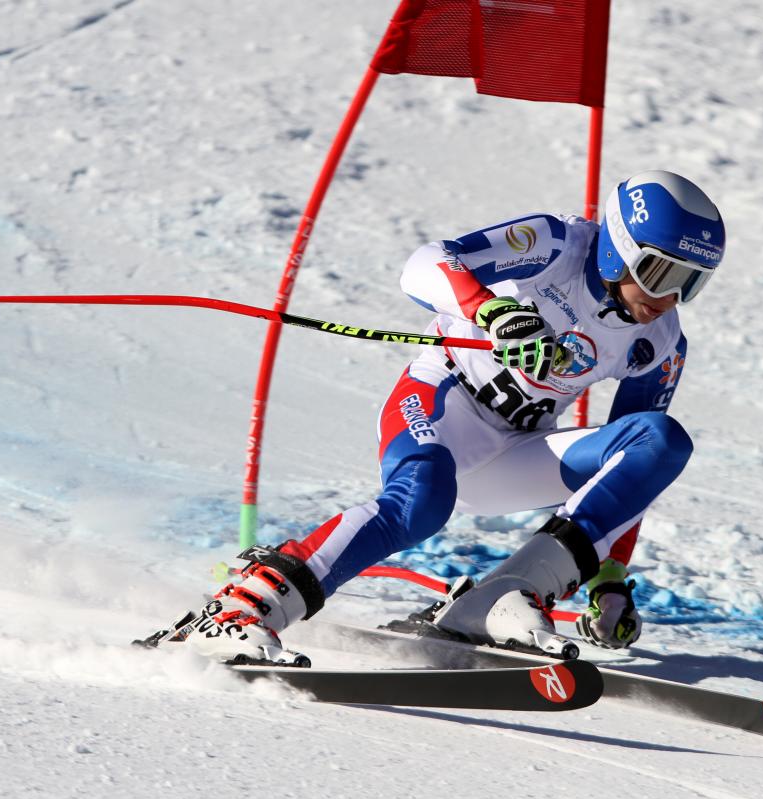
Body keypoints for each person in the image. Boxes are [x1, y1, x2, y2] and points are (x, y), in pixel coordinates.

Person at [186, 170, 726, 665]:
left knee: (662, 441)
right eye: (659, 272)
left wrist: (609, 578)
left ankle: (508, 593)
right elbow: (425, 263)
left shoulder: (660, 340)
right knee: (420, 503)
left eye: (691, 282)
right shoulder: (557, 245)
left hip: (518, 450)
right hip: (443, 403)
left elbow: (631, 473)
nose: (669, 297)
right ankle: (245, 606)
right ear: (618, 249)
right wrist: (488, 307)